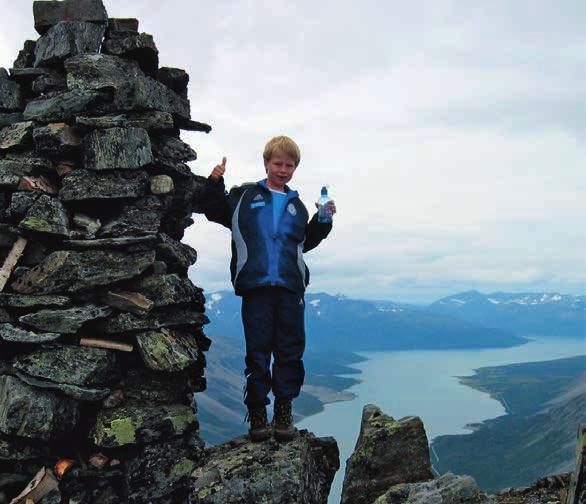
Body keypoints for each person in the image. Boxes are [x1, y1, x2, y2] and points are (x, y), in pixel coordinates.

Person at [202, 135, 336, 442]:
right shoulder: (244, 197)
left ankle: (284, 413)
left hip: (290, 288)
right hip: (256, 287)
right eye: (278, 163)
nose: (284, 170)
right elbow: (213, 209)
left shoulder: (298, 207)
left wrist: (323, 220)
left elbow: (306, 242)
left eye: (290, 165)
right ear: (266, 163)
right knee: (258, 352)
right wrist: (214, 181)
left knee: (290, 350)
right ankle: (258, 416)